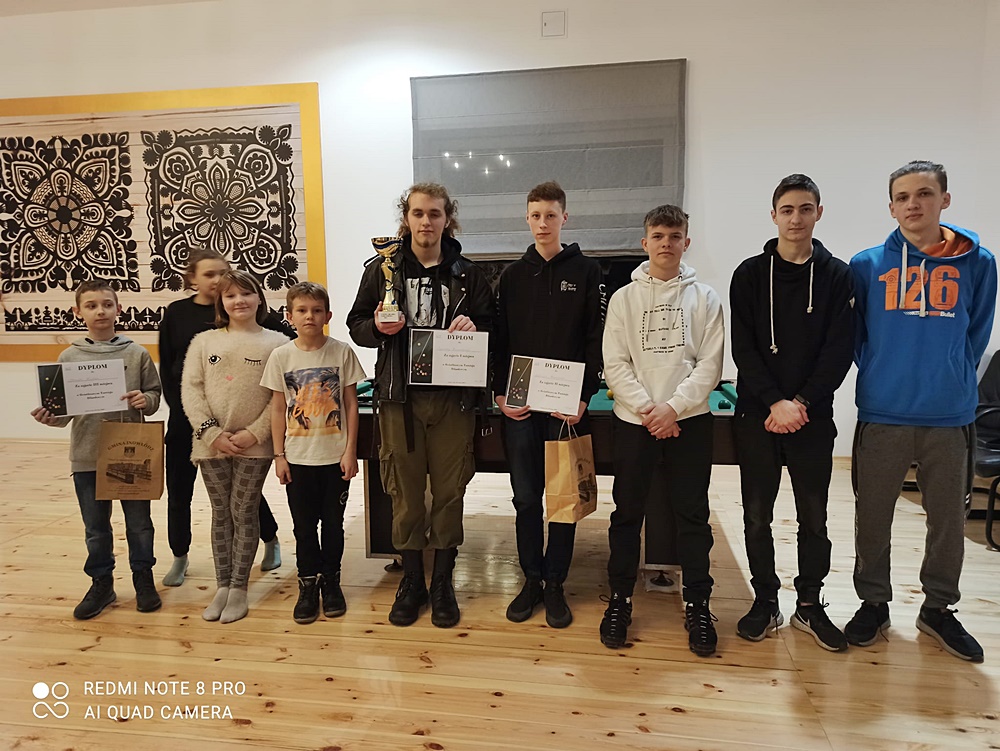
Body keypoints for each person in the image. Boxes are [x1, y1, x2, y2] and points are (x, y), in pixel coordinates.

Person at [848, 160, 997, 663]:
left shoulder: (979, 263)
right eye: (903, 196)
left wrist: (948, 373)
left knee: (949, 521)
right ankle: (873, 603)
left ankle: (938, 609)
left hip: (949, 414)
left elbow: (976, 333)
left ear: (944, 200)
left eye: (925, 194)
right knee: (872, 516)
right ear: (891, 207)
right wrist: (885, 372)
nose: (913, 204)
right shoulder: (866, 265)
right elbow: (858, 338)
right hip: (883, 411)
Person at [347, 182, 493, 628]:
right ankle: (412, 580)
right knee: (405, 494)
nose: (426, 221)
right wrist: (377, 326)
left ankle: (443, 580)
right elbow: (356, 325)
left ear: (448, 219)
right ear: (406, 219)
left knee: (450, 492)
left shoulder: (469, 274)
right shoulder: (381, 271)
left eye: (434, 213)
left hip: (453, 399)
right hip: (400, 399)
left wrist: (475, 329)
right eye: (418, 213)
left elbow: (493, 329)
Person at [729, 174, 855, 651]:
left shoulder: (838, 275)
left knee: (814, 518)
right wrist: (773, 402)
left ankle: (808, 603)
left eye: (805, 209)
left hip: (811, 418)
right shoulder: (747, 275)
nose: (796, 218)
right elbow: (743, 348)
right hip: (757, 416)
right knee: (756, 517)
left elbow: (838, 351)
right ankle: (765, 600)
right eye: (787, 209)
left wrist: (799, 403)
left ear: (818, 213)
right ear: (774, 215)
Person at [600, 205, 725, 656]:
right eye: (658, 236)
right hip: (634, 423)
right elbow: (615, 363)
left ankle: (698, 603)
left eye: (674, 236)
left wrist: (672, 408)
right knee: (626, 515)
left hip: (689, 423)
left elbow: (710, 365)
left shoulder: (706, 298)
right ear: (645, 243)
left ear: (686, 242)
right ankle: (619, 600)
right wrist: (649, 410)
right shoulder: (623, 299)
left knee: (692, 516)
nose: (666, 244)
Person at [492, 181, 604, 628]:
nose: (543, 223)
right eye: (536, 215)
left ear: (564, 218)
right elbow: (499, 340)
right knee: (525, 499)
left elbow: (595, 339)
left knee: (562, 500)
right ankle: (531, 579)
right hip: (520, 407)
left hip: (564, 408)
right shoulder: (511, 277)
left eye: (551, 215)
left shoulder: (588, 271)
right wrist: (499, 393)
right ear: (527, 218)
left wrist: (584, 397)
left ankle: (555, 582)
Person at [30, 279, 162, 619]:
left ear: (119, 309)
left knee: (139, 524)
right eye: (91, 305)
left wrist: (144, 399)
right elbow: (63, 416)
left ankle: (143, 578)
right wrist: (49, 417)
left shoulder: (136, 353)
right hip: (87, 455)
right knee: (96, 528)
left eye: (107, 304)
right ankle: (102, 583)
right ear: (78, 312)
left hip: (131, 450)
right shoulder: (68, 356)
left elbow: (154, 395)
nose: (100, 311)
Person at [159, 248, 289, 586]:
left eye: (223, 273)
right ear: (192, 279)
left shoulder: (255, 317)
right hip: (191, 422)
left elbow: (287, 353)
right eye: (209, 274)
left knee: (244, 500)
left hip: (245, 428)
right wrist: (202, 425)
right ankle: (179, 555)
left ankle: (269, 539)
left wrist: (255, 430)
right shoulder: (178, 315)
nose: (218, 281)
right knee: (181, 492)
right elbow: (172, 370)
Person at [262, 281, 366, 624]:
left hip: (334, 458)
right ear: (289, 316)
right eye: (302, 310)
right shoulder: (281, 356)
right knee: (304, 527)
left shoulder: (341, 352)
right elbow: (278, 408)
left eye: (317, 310)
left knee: (333, 525)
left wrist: (350, 451)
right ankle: (308, 583)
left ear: (328, 315)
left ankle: (331, 581)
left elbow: (351, 404)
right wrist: (279, 456)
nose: (310, 316)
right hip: (297, 459)